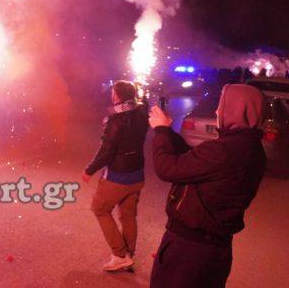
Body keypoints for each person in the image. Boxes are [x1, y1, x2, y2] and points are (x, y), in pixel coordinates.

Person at [148, 84, 266, 288]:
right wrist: (169, 132)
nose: (217, 111)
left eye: (222, 106)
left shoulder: (223, 151)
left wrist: (160, 130)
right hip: (214, 248)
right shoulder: (252, 150)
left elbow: (167, 169)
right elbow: (195, 163)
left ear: (236, 110)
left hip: (190, 250)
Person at [82, 80, 149, 272]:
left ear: (117, 96)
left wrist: (89, 170)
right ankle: (129, 255)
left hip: (118, 176)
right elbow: (144, 103)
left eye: (113, 92)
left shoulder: (115, 120)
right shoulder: (142, 113)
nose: (112, 95)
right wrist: (141, 92)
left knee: (100, 209)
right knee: (128, 215)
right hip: (137, 174)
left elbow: (107, 152)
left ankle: (120, 255)